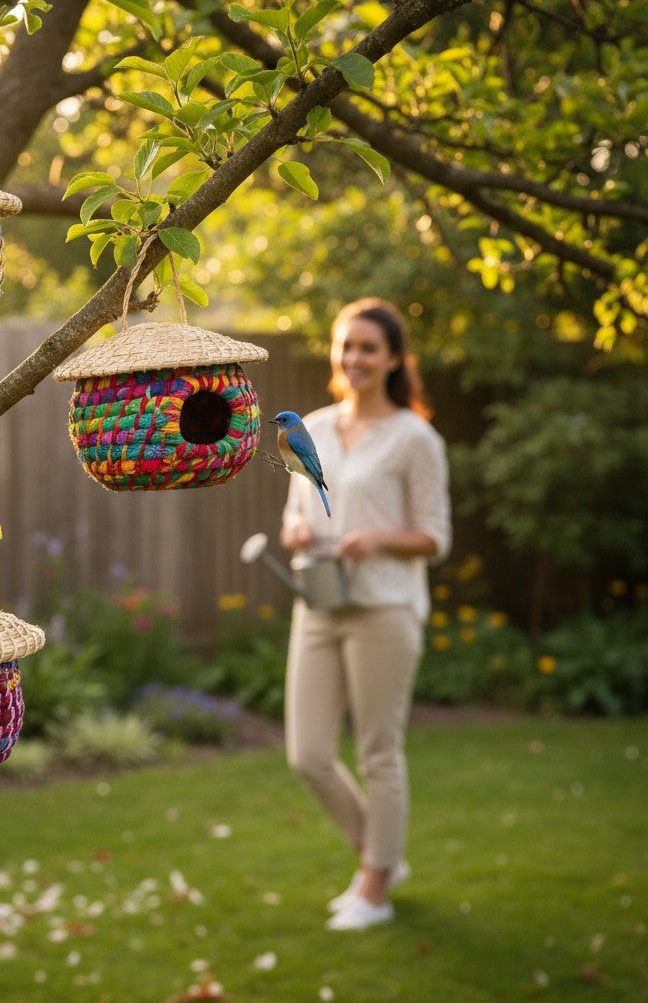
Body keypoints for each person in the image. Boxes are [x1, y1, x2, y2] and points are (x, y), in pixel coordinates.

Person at [279, 297, 452, 931]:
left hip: (384, 607)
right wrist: (296, 530)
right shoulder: (312, 427)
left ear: (393, 360)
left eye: (368, 348)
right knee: (308, 754)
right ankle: (379, 855)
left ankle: (375, 888)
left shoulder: (416, 438)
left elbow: (437, 537)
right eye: (345, 345)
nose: (354, 358)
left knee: (379, 751)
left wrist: (377, 539)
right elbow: (296, 511)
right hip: (319, 602)